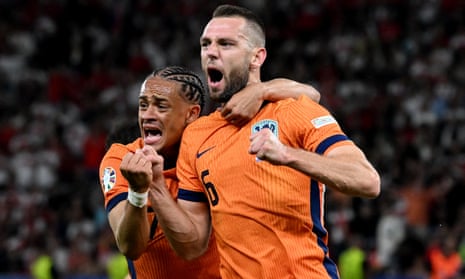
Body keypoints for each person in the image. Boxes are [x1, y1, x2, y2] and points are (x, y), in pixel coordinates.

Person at [142, 4, 381, 279]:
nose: (211, 52)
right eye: (205, 44)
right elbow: (192, 245)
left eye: (226, 43)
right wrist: (155, 188)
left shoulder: (294, 111)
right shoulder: (196, 136)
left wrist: (288, 155)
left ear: (257, 57)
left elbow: (367, 181)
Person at [99, 65, 321, 278]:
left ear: (191, 114)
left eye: (161, 106)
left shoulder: (214, 146)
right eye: (143, 105)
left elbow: (310, 94)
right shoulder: (122, 159)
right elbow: (129, 247)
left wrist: (262, 90)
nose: (147, 114)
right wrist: (138, 192)